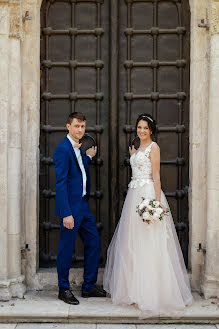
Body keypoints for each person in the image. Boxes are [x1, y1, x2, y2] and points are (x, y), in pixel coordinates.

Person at [103, 113, 193, 315]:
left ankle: (153, 293)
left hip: (147, 194)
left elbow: (156, 175)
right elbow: (137, 164)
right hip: (134, 195)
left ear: (151, 130)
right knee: (133, 242)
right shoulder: (138, 148)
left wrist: (157, 204)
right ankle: (134, 291)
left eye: (145, 128)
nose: (141, 131)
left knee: (150, 243)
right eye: (139, 127)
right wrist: (134, 155)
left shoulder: (154, 148)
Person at [53, 112, 106, 305]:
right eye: (77, 126)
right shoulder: (62, 149)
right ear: (68, 126)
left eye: (83, 126)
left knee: (93, 242)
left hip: (83, 205)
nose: (80, 130)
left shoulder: (77, 148)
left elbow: (79, 170)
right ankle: (63, 289)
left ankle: (89, 286)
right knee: (66, 248)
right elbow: (60, 183)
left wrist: (88, 158)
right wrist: (66, 213)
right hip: (71, 208)